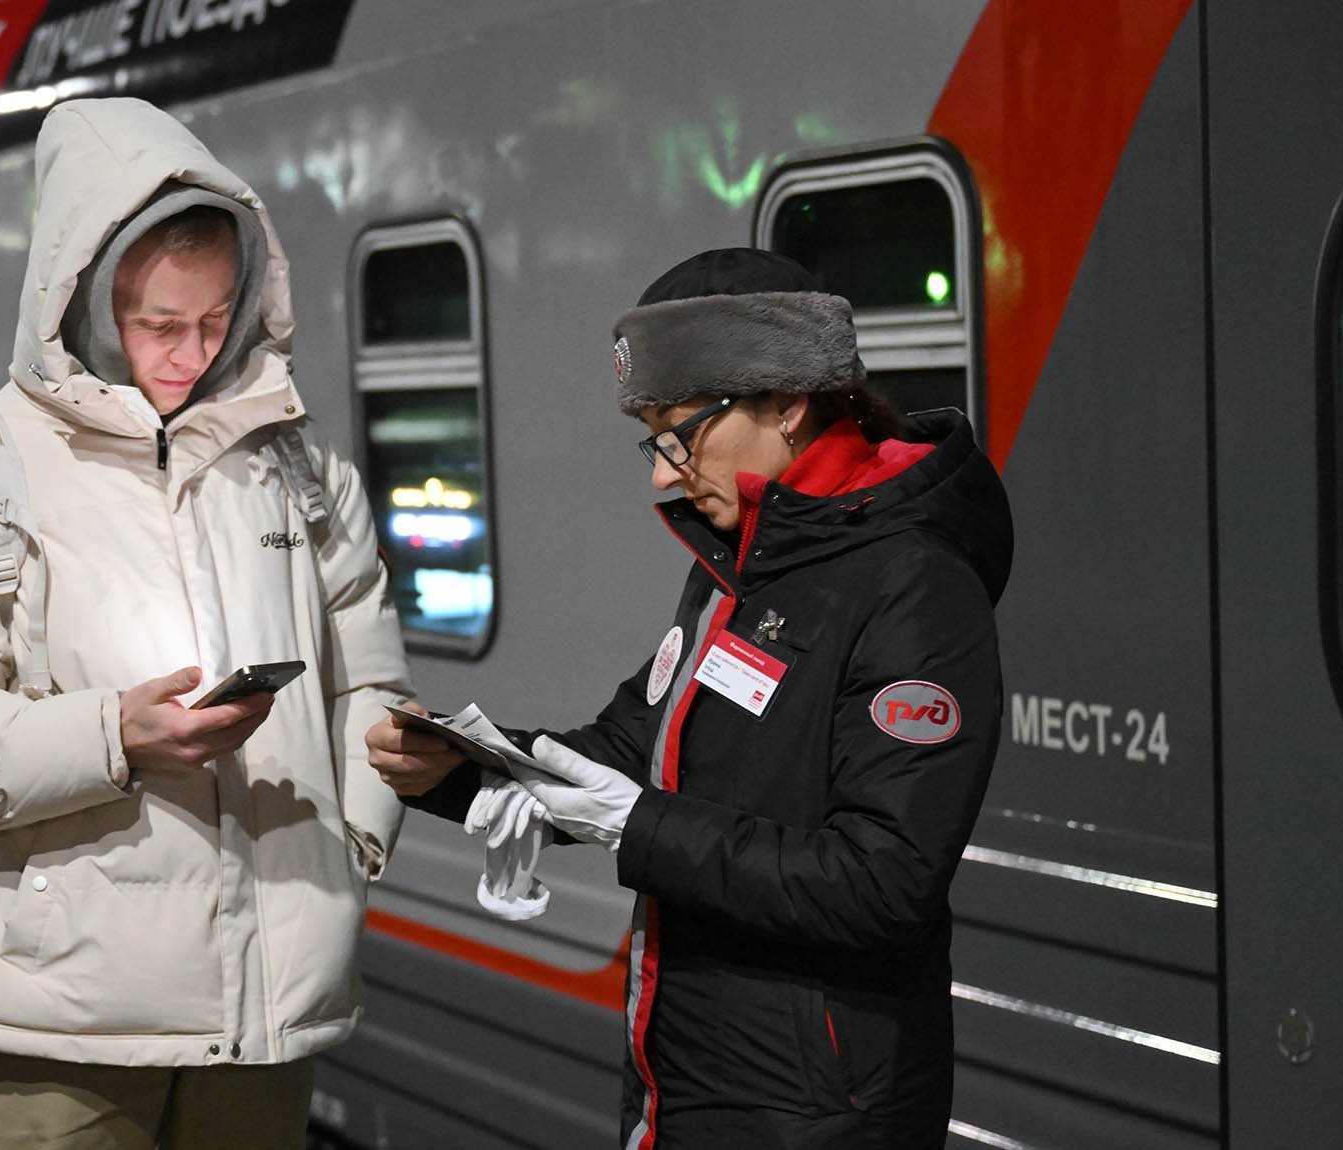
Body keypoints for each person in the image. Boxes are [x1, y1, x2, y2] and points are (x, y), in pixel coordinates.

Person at [0, 98, 411, 1149]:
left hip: (264, 1005)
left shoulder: (297, 467)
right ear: (88, 301)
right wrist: (113, 737)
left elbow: (364, 675)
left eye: (215, 318)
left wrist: (356, 830)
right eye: (158, 325)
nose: (191, 352)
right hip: (58, 1021)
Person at [368, 249, 1012, 1148]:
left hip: (817, 1118)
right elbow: (638, 743)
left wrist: (636, 827)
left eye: (684, 432)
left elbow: (882, 882)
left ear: (787, 402)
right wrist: (467, 772)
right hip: (691, 1082)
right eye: (653, 438)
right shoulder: (744, 564)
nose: (664, 475)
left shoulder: (914, 589)